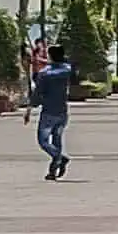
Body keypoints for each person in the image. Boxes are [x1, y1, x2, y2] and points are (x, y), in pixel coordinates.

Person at [27, 40, 77, 181]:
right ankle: (53, 170)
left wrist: (30, 108)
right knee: (57, 139)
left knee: (43, 141)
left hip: (48, 110)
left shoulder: (45, 73)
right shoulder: (67, 70)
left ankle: (60, 158)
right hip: (62, 110)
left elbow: (37, 93)